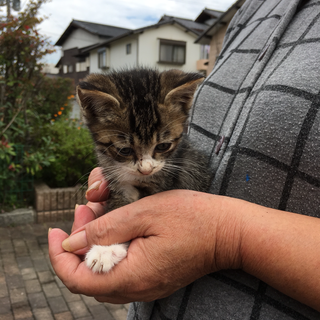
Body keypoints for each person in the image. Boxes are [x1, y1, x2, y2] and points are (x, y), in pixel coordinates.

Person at [49, 0, 320, 318]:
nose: (147, 166)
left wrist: (223, 238)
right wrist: (120, 187)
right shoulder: (253, 8)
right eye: (125, 151)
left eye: (162, 148)